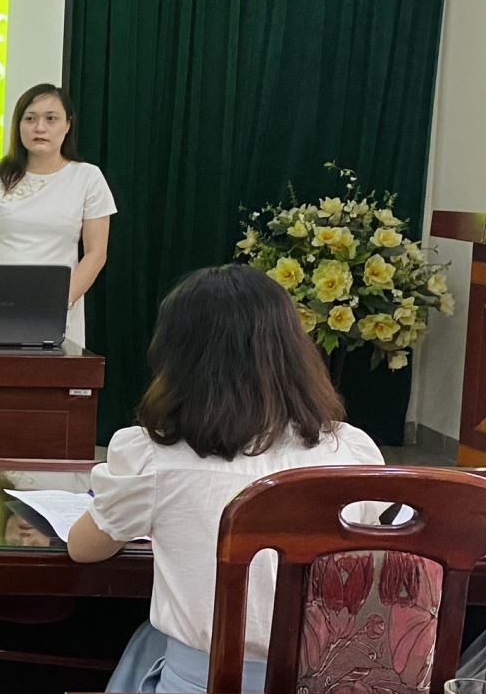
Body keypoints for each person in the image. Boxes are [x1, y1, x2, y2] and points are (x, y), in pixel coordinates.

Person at [66, 265, 385, 693]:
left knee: (143, 644)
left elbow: (84, 548)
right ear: (294, 352)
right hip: (330, 680)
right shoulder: (350, 451)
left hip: (201, 682)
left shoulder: (152, 456)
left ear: (174, 357)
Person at [0, 83, 116, 348]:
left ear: (67, 125)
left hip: (60, 309)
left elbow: (96, 253)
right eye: (30, 119)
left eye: (51, 119)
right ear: (18, 125)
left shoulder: (88, 177)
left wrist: (59, 302)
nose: (40, 128)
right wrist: (1, 297)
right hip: (0, 306)